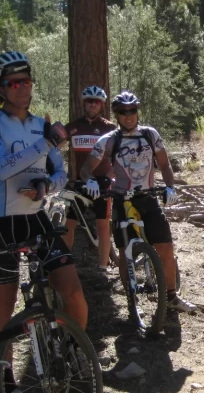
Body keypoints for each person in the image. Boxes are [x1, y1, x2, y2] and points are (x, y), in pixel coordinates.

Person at [0, 51, 88, 393]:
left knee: (73, 292)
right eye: (14, 83)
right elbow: (2, 167)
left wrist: (45, 186)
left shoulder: (42, 124)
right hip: (0, 222)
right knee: (4, 309)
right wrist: (47, 143)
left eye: (27, 81)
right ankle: (6, 387)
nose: (23, 88)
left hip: (35, 218)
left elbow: (59, 174)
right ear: (0, 88)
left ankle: (71, 354)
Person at [81, 90, 196, 335]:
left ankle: (171, 296)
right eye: (123, 112)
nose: (129, 115)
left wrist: (170, 187)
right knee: (126, 253)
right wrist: (90, 180)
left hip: (148, 198)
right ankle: (132, 300)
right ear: (117, 114)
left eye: (132, 110)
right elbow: (86, 168)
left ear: (137, 111)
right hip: (122, 200)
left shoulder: (150, 134)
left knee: (166, 248)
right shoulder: (109, 140)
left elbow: (164, 164)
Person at [63, 86, 116, 269]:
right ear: (84, 103)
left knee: (103, 226)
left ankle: (103, 268)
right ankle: (64, 265)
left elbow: (119, 158)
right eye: (89, 101)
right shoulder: (74, 126)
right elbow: (55, 142)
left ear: (102, 105)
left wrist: (109, 177)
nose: (93, 105)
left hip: (102, 183)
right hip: (81, 182)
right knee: (69, 223)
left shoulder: (110, 128)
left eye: (97, 102)